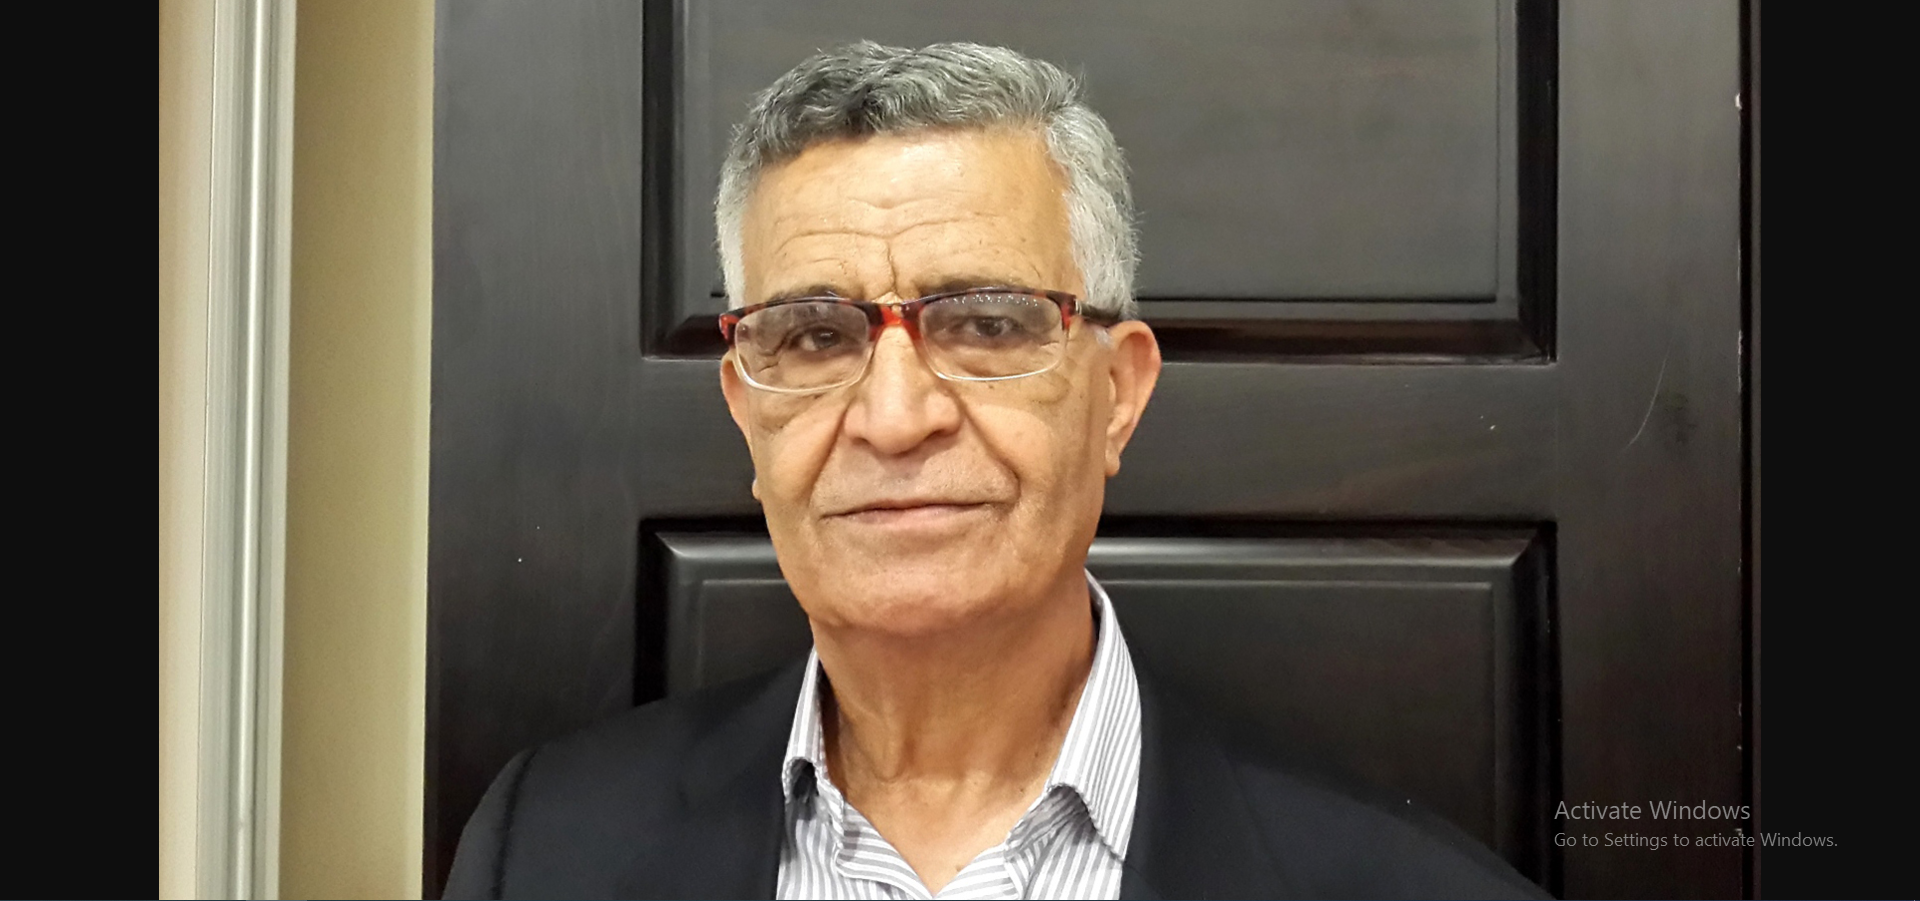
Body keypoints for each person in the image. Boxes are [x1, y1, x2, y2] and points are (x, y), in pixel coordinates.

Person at [445, 41, 1544, 900]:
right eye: (815, 336)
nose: (894, 419)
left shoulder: (1411, 885)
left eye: (985, 323)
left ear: (1117, 394)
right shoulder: (544, 846)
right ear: (746, 413)